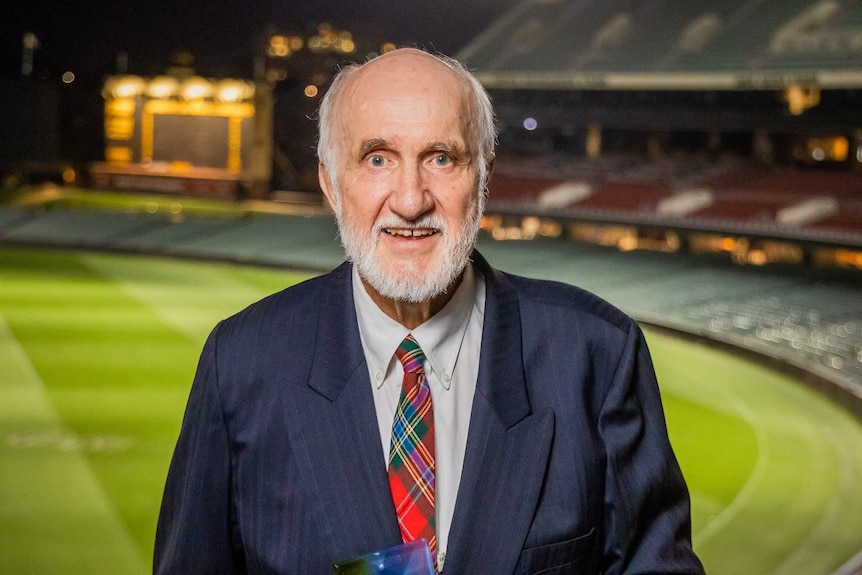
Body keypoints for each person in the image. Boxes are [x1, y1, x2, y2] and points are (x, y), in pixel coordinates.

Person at [154, 48, 705, 575]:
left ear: (482, 178)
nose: (411, 200)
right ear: (330, 183)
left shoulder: (597, 354)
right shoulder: (242, 361)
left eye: (441, 158)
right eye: (377, 159)